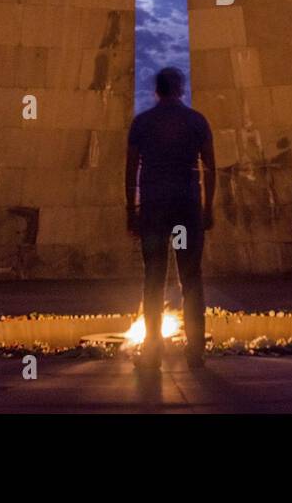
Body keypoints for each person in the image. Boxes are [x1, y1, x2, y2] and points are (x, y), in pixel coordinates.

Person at [125, 66, 215, 369]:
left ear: (157, 90)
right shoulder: (196, 121)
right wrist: (208, 207)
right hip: (187, 208)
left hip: (154, 208)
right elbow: (210, 167)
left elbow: (130, 169)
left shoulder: (142, 123)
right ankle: (196, 351)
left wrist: (131, 210)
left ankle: (152, 350)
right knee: (191, 277)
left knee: (153, 278)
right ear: (180, 89)